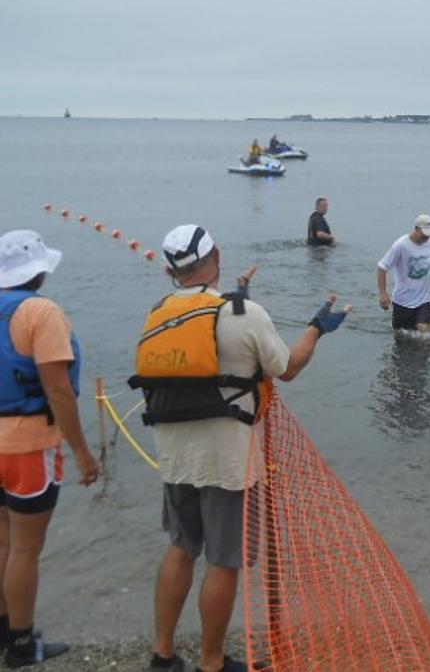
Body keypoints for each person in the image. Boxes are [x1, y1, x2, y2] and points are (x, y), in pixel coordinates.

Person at [129, 225, 350, 672]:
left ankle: (163, 653)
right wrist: (318, 327)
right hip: (228, 459)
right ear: (216, 257)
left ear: (173, 271)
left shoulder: (159, 311)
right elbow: (286, 367)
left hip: (173, 454)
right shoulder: (244, 313)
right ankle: (212, 662)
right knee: (224, 560)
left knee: (181, 547)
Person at [0, 230, 101, 667]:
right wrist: (82, 451)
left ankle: (5, 628)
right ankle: (21, 644)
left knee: (2, 542)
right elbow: (58, 390)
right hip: (27, 445)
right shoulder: (41, 312)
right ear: (40, 271)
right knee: (24, 548)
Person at [377, 214, 430, 332]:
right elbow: (382, 267)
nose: (427, 238)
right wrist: (383, 293)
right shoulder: (401, 245)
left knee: (423, 331)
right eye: (425, 234)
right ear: (417, 229)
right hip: (403, 301)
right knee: (401, 336)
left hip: (424, 299)